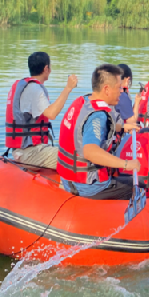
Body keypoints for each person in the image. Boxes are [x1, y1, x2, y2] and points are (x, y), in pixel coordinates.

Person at [57, 64, 140, 199]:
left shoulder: (83, 102)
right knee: (139, 185)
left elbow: (86, 128)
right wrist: (126, 164)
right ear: (106, 89)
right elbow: (90, 151)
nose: (121, 91)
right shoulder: (98, 115)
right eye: (118, 88)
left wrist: (123, 127)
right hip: (88, 186)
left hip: (68, 179)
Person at [6, 52, 78, 169]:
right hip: (30, 153)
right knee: (77, 158)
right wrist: (68, 88)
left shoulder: (22, 85)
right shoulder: (34, 88)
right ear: (46, 68)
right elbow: (52, 114)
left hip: (21, 150)